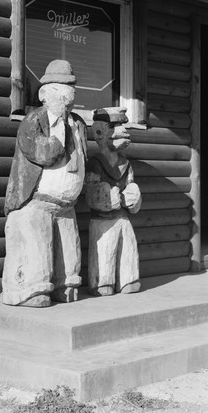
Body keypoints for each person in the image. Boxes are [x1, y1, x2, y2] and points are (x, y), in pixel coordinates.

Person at [1, 60, 87, 307]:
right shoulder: (34, 120)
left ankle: (65, 284)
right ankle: (28, 290)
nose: (66, 95)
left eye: (70, 88)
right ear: (44, 94)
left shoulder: (77, 122)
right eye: (59, 88)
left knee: (69, 259)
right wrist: (58, 132)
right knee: (37, 254)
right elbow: (45, 154)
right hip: (35, 204)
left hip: (66, 206)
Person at [85, 107, 142, 296]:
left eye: (122, 125)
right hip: (102, 221)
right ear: (100, 133)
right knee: (104, 253)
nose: (122, 131)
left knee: (128, 248)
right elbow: (90, 193)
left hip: (123, 218)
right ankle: (101, 282)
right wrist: (104, 197)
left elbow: (131, 184)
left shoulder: (126, 164)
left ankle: (128, 280)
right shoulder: (95, 163)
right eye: (114, 126)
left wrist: (133, 196)